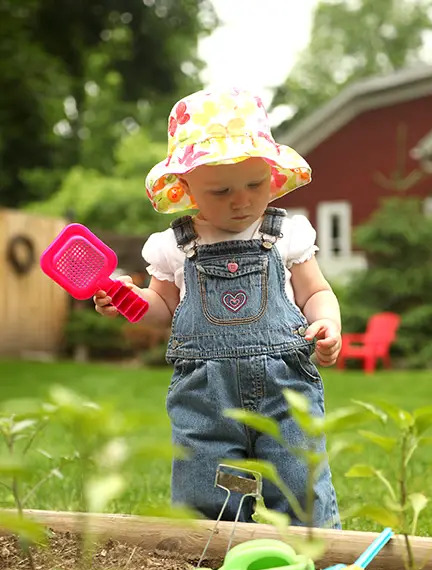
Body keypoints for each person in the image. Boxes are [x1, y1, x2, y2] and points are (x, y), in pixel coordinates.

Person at [94, 88, 342, 528]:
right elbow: (162, 308)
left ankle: (315, 560)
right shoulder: (175, 246)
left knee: (298, 480)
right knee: (207, 489)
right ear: (186, 187)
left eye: (254, 184)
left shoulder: (286, 235)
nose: (241, 200)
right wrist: (127, 300)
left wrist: (326, 321)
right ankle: (214, 564)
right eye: (221, 190)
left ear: (272, 172)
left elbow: (315, 292)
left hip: (285, 389)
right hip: (205, 397)